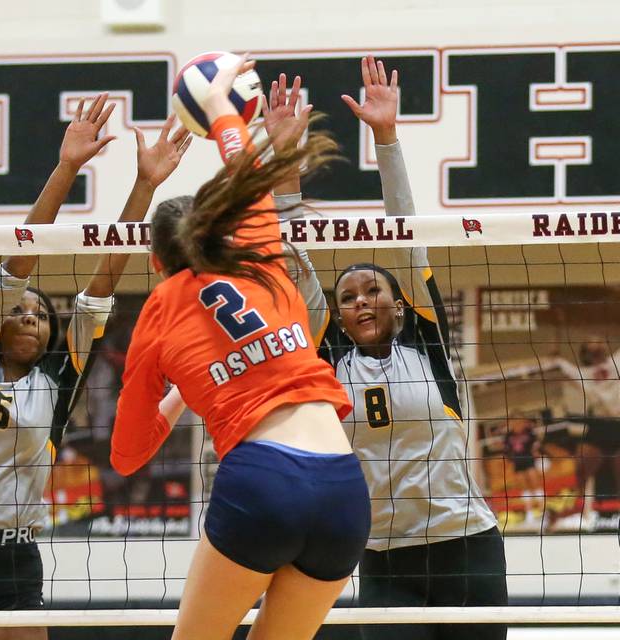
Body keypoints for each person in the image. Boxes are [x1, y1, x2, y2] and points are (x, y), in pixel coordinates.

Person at [0, 94, 192, 640]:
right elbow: (16, 263)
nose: (30, 317)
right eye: (20, 310)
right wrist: (67, 167)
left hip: (13, 564)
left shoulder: (57, 381)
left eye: (42, 314)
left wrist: (144, 186)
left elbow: (103, 280)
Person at [109, 56, 370, 640]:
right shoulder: (258, 251)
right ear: (223, 232)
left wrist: (177, 396)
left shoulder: (158, 311)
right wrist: (224, 107)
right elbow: (247, 169)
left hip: (264, 480)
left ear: (157, 263)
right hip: (343, 489)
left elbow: (127, 457)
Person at [285, 56, 507, 640]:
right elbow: (292, 259)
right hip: (383, 554)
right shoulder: (330, 359)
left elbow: (406, 235)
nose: (360, 301)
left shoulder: (429, 350)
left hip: (466, 546)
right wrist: (285, 164)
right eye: (348, 296)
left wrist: (386, 137)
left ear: (401, 304)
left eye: (373, 291)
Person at [557, 337, 620, 529]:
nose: (598, 345)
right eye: (592, 343)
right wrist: (555, 353)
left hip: (618, 424)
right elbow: (559, 364)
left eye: (599, 342)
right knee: (582, 469)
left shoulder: (616, 362)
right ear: (586, 352)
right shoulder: (582, 373)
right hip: (599, 425)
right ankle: (582, 514)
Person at [503, 412, 544, 527]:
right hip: (518, 463)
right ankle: (529, 513)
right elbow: (506, 450)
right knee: (524, 488)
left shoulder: (529, 432)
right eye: (514, 421)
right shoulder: (509, 435)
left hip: (529, 461)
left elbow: (536, 444)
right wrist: (509, 460)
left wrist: (536, 452)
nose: (517, 423)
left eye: (519, 421)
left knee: (536, 485)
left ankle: (543, 511)